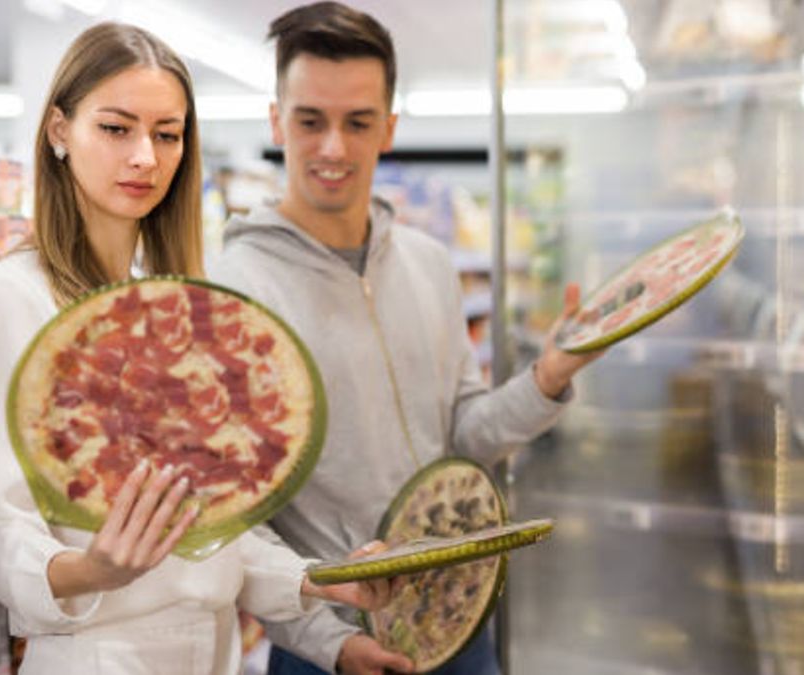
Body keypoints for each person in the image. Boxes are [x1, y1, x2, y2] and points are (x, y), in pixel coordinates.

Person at [0, 22, 393, 675]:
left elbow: (208, 525)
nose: (145, 157)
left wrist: (314, 578)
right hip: (98, 655)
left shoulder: (169, 304)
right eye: (115, 128)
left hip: (211, 649)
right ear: (58, 132)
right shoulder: (12, 299)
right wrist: (89, 567)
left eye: (167, 134)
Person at [207, 3, 604, 674]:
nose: (333, 146)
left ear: (387, 128)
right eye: (310, 120)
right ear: (277, 121)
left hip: (459, 625)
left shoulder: (428, 262)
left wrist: (548, 377)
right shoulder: (232, 293)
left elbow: (464, 432)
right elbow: (231, 516)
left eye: (357, 122)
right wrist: (328, 641)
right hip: (328, 647)